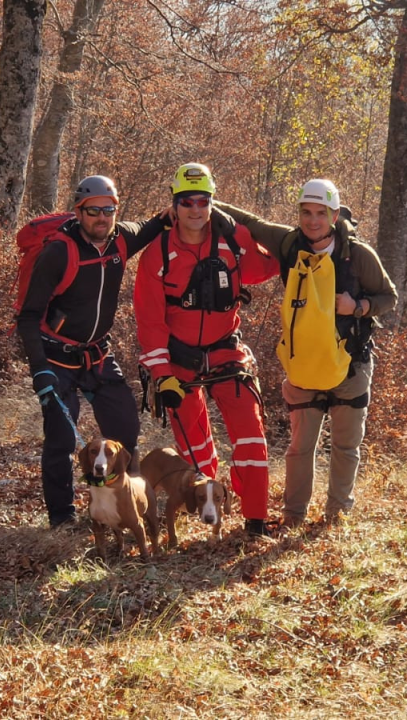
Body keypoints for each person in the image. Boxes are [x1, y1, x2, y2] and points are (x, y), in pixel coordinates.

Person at [216, 179, 397, 526]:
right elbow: (250, 223)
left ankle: (336, 517)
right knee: (300, 449)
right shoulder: (288, 242)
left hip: (350, 365)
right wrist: (200, 200)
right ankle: (293, 517)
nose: (312, 220)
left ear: (333, 215)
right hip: (303, 367)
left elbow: (389, 298)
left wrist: (357, 306)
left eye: (320, 213)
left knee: (345, 448)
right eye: (306, 212)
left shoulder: (358, 254)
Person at [133, 163, 283, 537]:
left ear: (213, 203)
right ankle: (205, 502)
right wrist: (161, 372)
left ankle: (254, 518)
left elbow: (267, 267)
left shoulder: (231, 242)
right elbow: (149, 319)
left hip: (225, 352)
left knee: (249, 432)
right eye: (187, 202)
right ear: (175, 204)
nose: (195, 210)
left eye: (203, 202)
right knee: (194, 442)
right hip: (179, 357)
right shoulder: (158, 253)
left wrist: (242, 235)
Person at [16, 175, 166, 529]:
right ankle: (63, 519)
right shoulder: (59, 252)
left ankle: (126, 506)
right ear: (79, 212)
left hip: (98, 356)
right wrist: (40, 370)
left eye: (109, 210)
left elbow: (158, 222)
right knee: (62, 439)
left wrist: (199, 201)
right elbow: (28, 316)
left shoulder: (121, 239)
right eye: (94, 210)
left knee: (125, 428)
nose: (102, 218)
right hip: (57, 360)